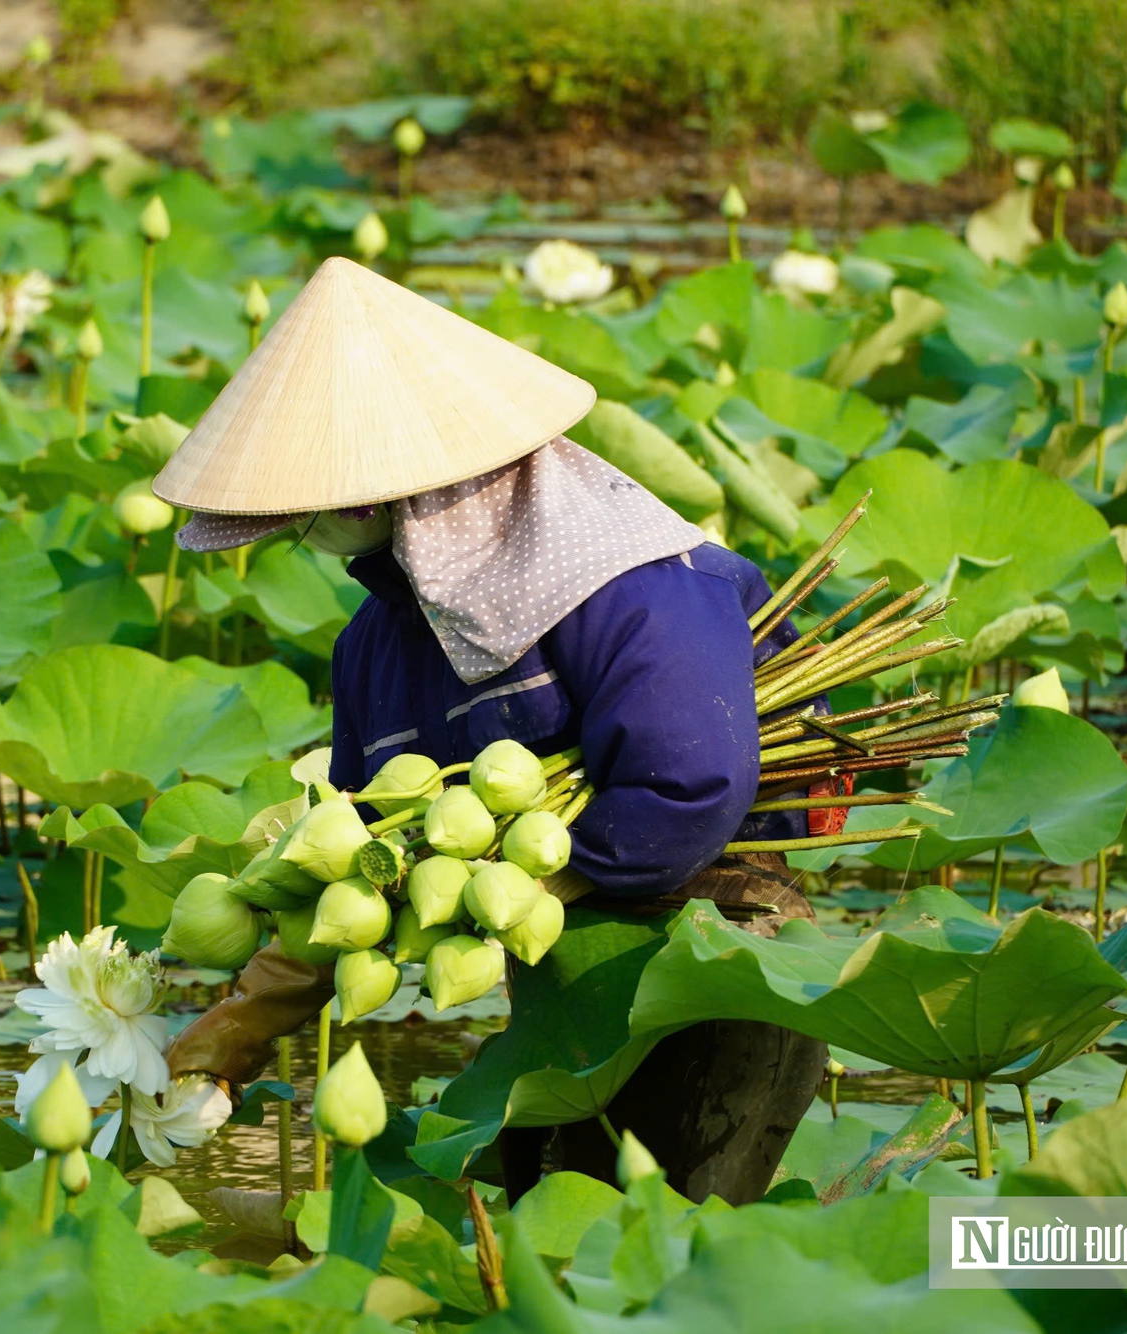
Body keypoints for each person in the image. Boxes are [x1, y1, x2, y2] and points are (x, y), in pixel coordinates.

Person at [149, 257, 834, 1205]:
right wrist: (248, 1015)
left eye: (317, 507)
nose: (308, 527)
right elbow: (364, 858)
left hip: (722, 957)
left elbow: (692, 785)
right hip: (554, 985)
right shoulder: (376, 645)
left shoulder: (642, 583)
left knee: (676, 1253)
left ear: (373, 499)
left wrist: (524, 876)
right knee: (542, 1238)